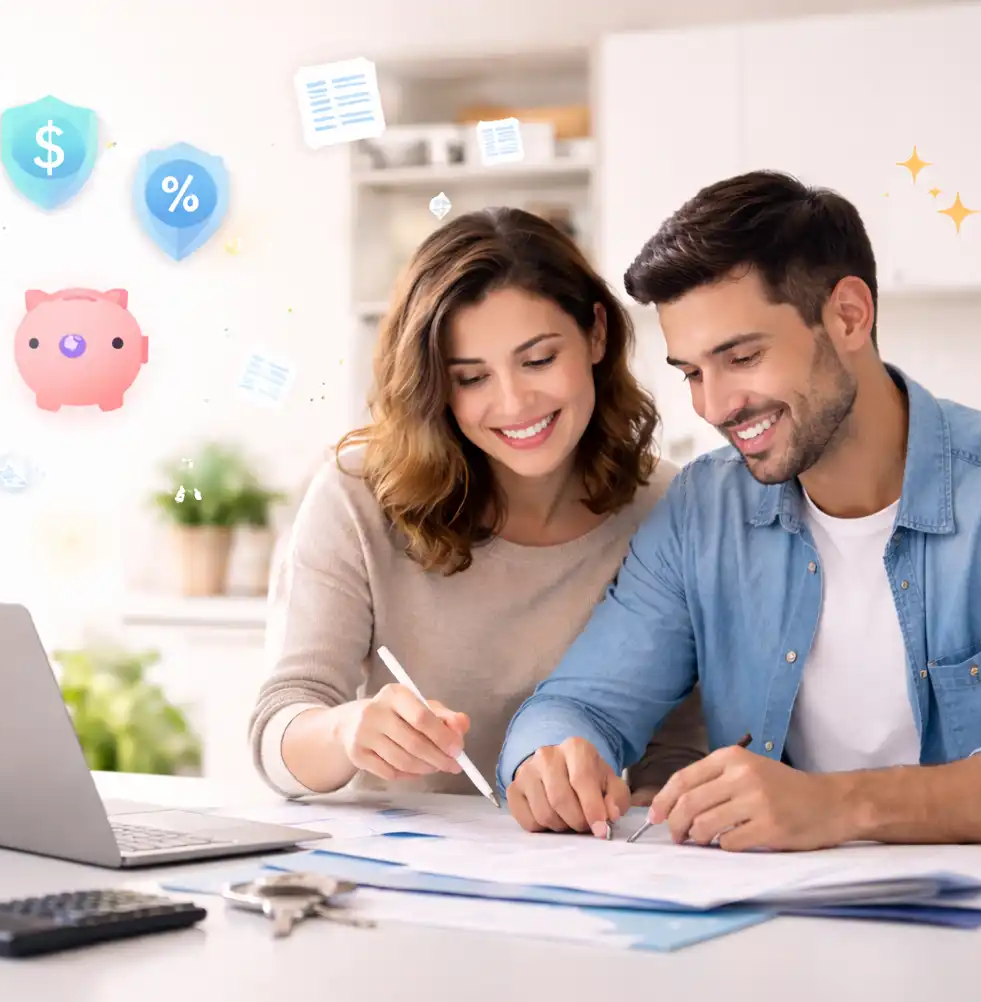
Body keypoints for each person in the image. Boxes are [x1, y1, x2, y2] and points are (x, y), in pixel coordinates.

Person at [497, 170, 981, 848]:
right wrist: (550, 758)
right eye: (691, 373)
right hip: (810, 928)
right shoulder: (702, 512)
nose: (713, 407)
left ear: (849, 316)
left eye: (742, 356)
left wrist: (840, 806)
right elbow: (579, 703)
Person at [249, 208, 706, 809]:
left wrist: (641, 801)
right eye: (471, 378)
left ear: (596, 333)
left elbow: (682, 747)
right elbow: (277, 732)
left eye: (539, 359)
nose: (514, 402)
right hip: (404, 874)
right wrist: (345, 731)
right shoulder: (358, 496)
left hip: (594, 866)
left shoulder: (671, 508)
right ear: (435, 384)